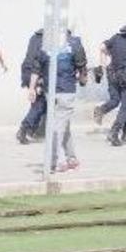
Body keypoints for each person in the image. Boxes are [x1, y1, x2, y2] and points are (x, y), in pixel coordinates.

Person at [29, 27, 88, 171]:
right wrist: (83, 80)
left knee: (63, 124)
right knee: (59, 126)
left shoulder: (45, 46)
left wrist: (31, 88)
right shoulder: (75, 45)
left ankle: (71, 158)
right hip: (66, 91)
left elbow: (36, 69)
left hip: (50, 92)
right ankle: (55, 161)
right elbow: (82, 70)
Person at [16, 28, 46, 144]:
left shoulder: (34, 38)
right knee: (40, 103)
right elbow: (41, 62)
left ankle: (32, 130)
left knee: (39, 103)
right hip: (36, 73)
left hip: (27, 71)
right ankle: (24, 129)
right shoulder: (48, 42)